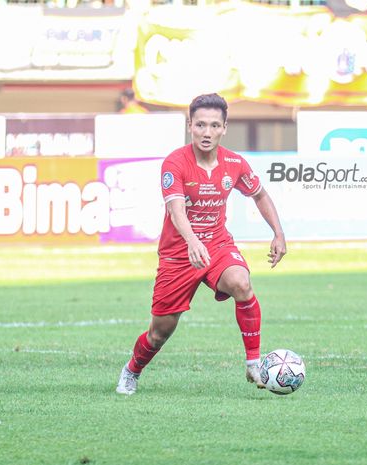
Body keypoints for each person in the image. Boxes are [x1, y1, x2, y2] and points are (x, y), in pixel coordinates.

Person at [116, 93, 287, 395]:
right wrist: (192, 240)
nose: (206, 133)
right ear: (190, 126)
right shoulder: (175, 163)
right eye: (200, 125)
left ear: (224, 128)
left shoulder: (235, 163)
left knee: (241, 282)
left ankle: (253, 363)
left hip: (217, 245)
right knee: (159, 334)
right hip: (178, 255)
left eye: (213, 126)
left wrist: (278, 233)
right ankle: (132, 370)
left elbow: (259, 194)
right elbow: (175, 209)